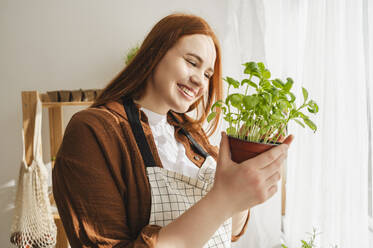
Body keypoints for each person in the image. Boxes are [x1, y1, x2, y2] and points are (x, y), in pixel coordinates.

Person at [52, 13, 294, 248]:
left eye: (208, 74)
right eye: (191, 62)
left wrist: (241, 183)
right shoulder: (93, 131)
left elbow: (227, 231)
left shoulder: (191, 135)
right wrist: (224, 198)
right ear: (154, 55)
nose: (200, 80)